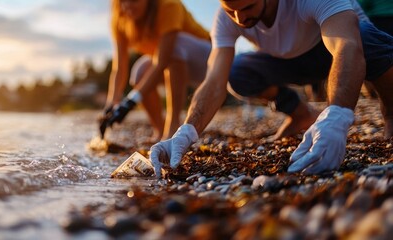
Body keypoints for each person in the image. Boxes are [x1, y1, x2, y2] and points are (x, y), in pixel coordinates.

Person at [150, 0, 393, 177]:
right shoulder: (229, 16)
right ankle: (301, 114)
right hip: (288, 62)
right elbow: (214, 80)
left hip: (342, 51)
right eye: (231, 11)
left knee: (362, 36)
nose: (240, 19)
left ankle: (390, 110)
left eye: (248, 8)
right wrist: (186, 132)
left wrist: (337, 117)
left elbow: (347, 46)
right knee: (236, 73)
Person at [99, 0, 212, 141]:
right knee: (140, 73)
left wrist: (130, 102)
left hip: (208, 63)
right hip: (170, 62)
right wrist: (112, 103)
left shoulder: (169, 5)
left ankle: (173, 124)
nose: (128, 5)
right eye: (122, 1)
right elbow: (120, 67)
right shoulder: (120, 18)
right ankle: (160, 130)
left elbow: (162, 62)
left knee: (175, 45)